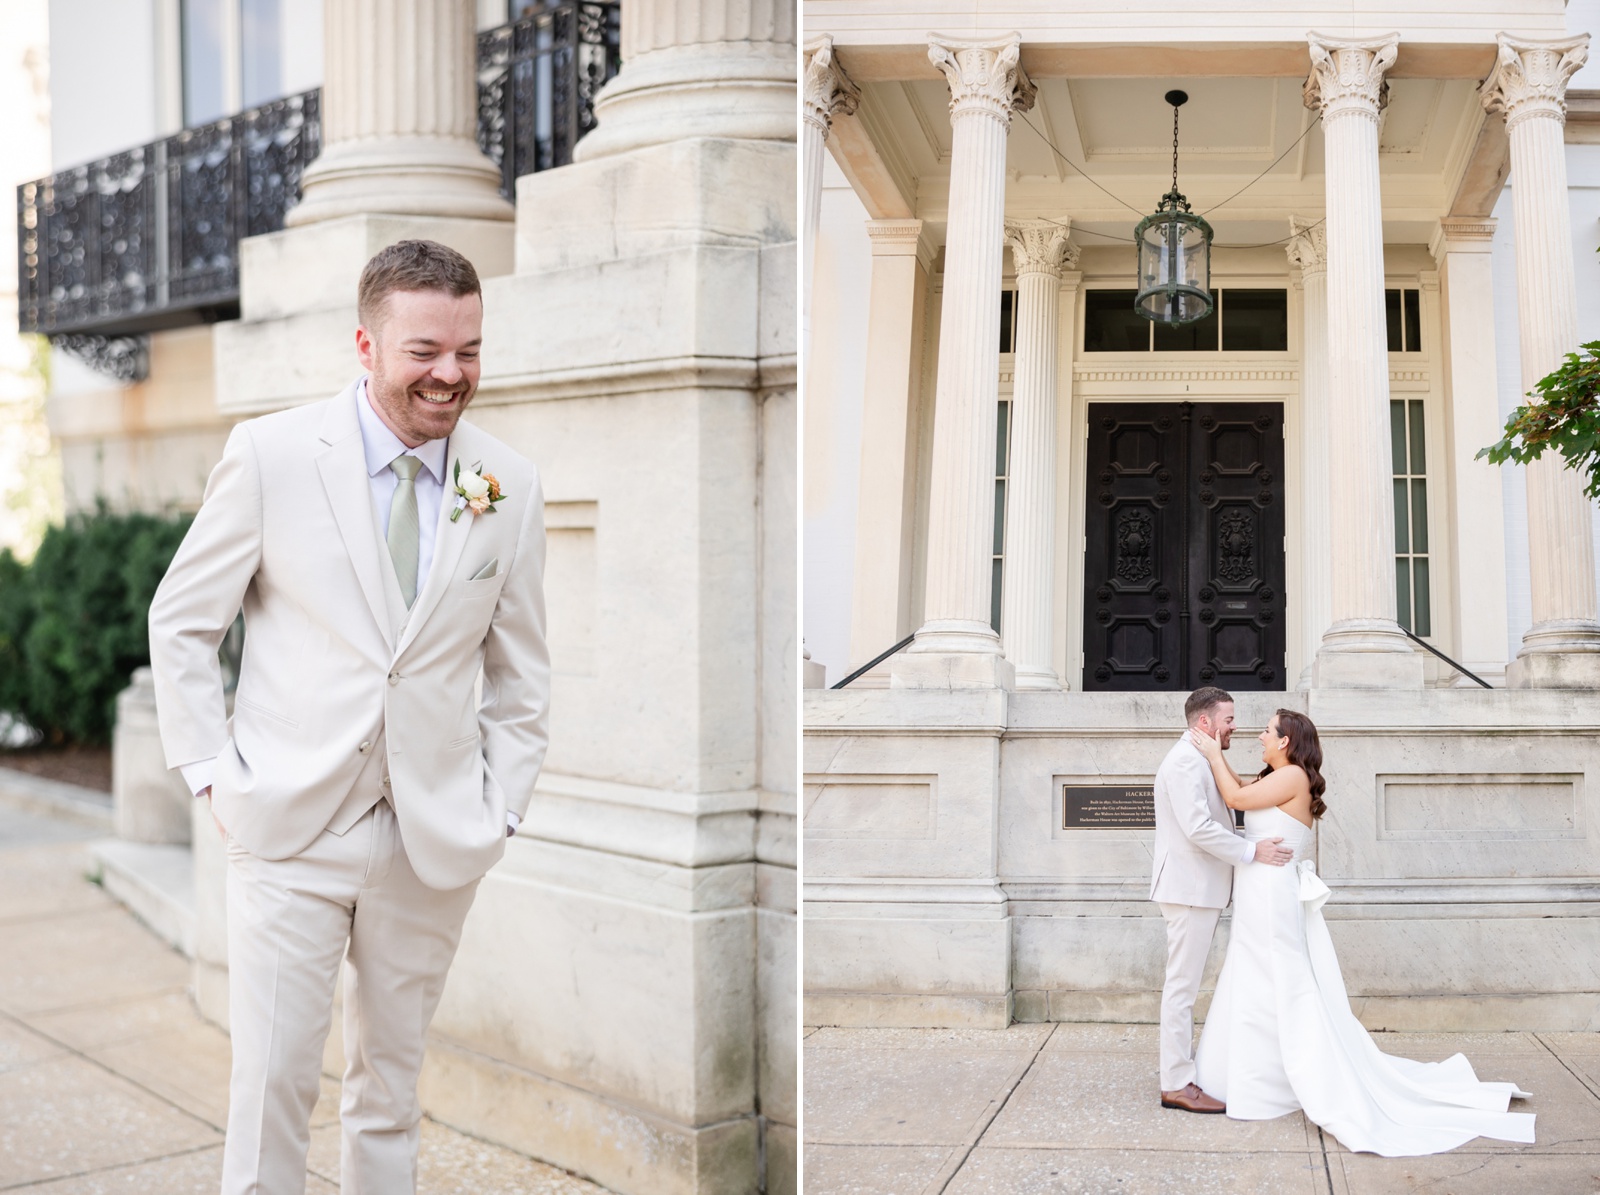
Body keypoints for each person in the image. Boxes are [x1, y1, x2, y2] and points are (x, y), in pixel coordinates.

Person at [148, 239, 550, 1193]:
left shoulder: (510, 484)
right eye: (426, 351)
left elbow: (522, 672)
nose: (451, 375)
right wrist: (214, 775)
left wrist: (501, 808)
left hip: (431, 840)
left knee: (391, 1093)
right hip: (287, 825)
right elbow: (182, 620)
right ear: (365, 344)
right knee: (273, 1088)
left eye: (469, 350)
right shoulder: (272, 455)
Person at [1189, 709, 1536, 1155]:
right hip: (1259, 891)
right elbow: (1240, 792)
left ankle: (1280, 1078)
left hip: (1272, 895)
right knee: (1252, 977)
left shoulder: (1293, 776)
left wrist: (1213, 752)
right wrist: (1219, 761)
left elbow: (1235, 800)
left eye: (1267, 730)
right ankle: (1250, 1074)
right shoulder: (1276, 776)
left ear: (1286, 742)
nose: (1259, 734)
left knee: (1276, 978)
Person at [1152, 686, 1293, 1114]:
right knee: (1182, 987)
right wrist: (1252, 851)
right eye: (1228, 719)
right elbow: (1198, 828)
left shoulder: (1197, 759)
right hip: (1189, 889)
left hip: (1198, 887)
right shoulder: (1183, 762)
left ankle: (1180, 1073)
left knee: (1185, 985)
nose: (1235, 726)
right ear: (1205, 723)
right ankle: (1176, 1083)